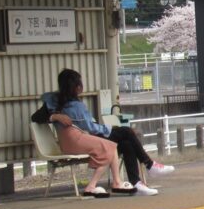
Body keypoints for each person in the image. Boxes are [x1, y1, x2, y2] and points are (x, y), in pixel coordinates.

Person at [43, 69, 173, 196]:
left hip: (82, 138)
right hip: (86, 138)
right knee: (126, 131)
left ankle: (137, 183)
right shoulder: (76, 106)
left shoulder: (52, 100)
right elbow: (92, 128)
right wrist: (109, 128)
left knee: (127, 144)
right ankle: (149, 165)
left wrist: (54, 116)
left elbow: (36, 116)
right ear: (78, 87)